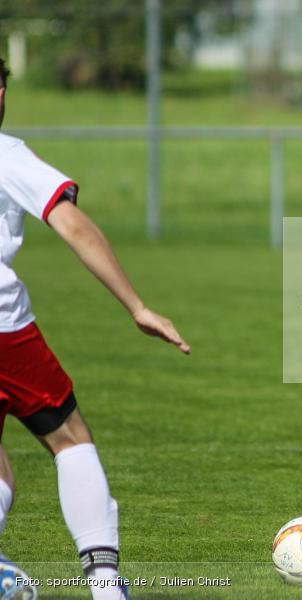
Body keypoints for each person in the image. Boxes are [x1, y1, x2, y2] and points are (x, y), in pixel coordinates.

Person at [0, 58, 190, 599]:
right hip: (5, 329)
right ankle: (106, 586)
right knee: (69, 437)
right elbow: (73, 225)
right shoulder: (7, 154)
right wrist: (137, 306)